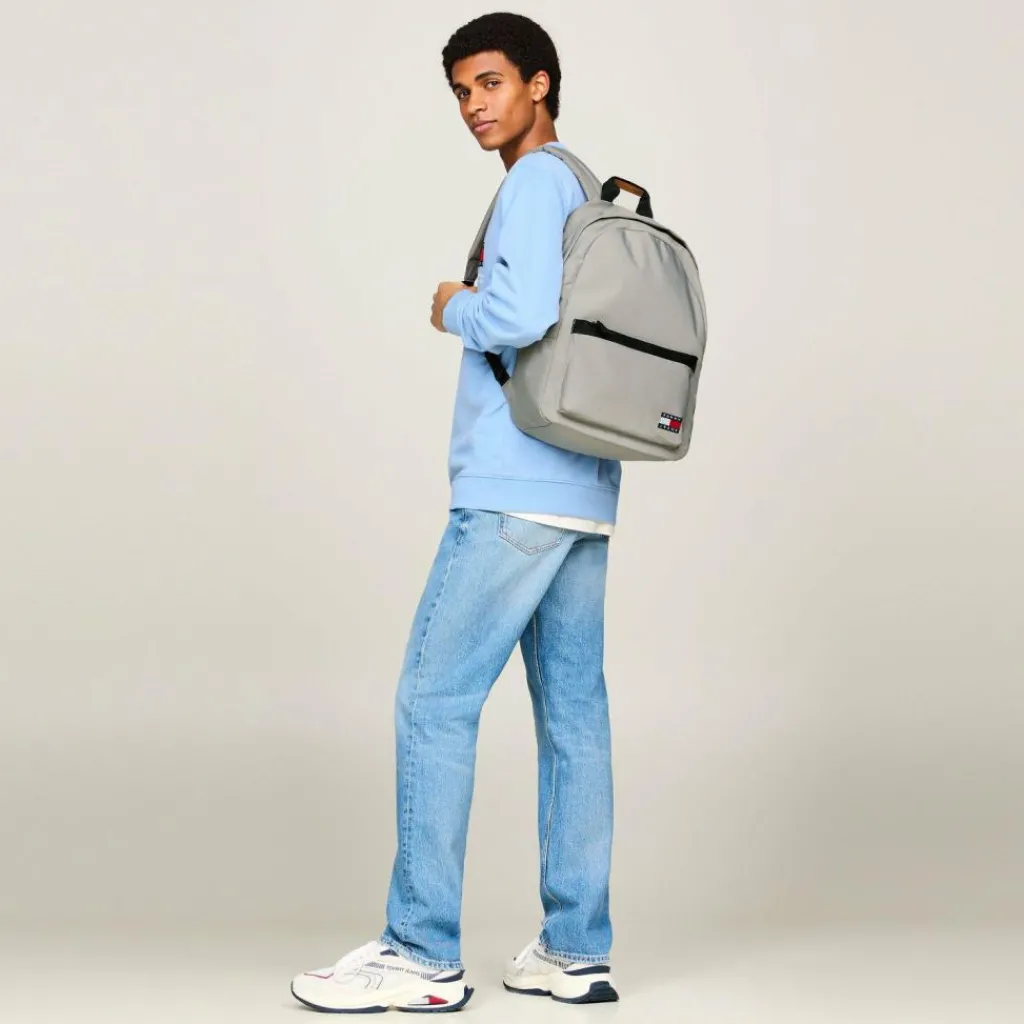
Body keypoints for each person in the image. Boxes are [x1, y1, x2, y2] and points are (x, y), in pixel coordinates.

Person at [290, 12, 622, 1013]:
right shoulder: (586, 185)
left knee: (433, 702)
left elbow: (517, 316)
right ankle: (574, 951)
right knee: (574, 718)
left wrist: (450, 306)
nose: (474, 107)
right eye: (461, 93)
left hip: (514, 489)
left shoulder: (531, 184)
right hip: (583, 489)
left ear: (539, 83)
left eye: (490, 84)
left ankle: (420, 950)